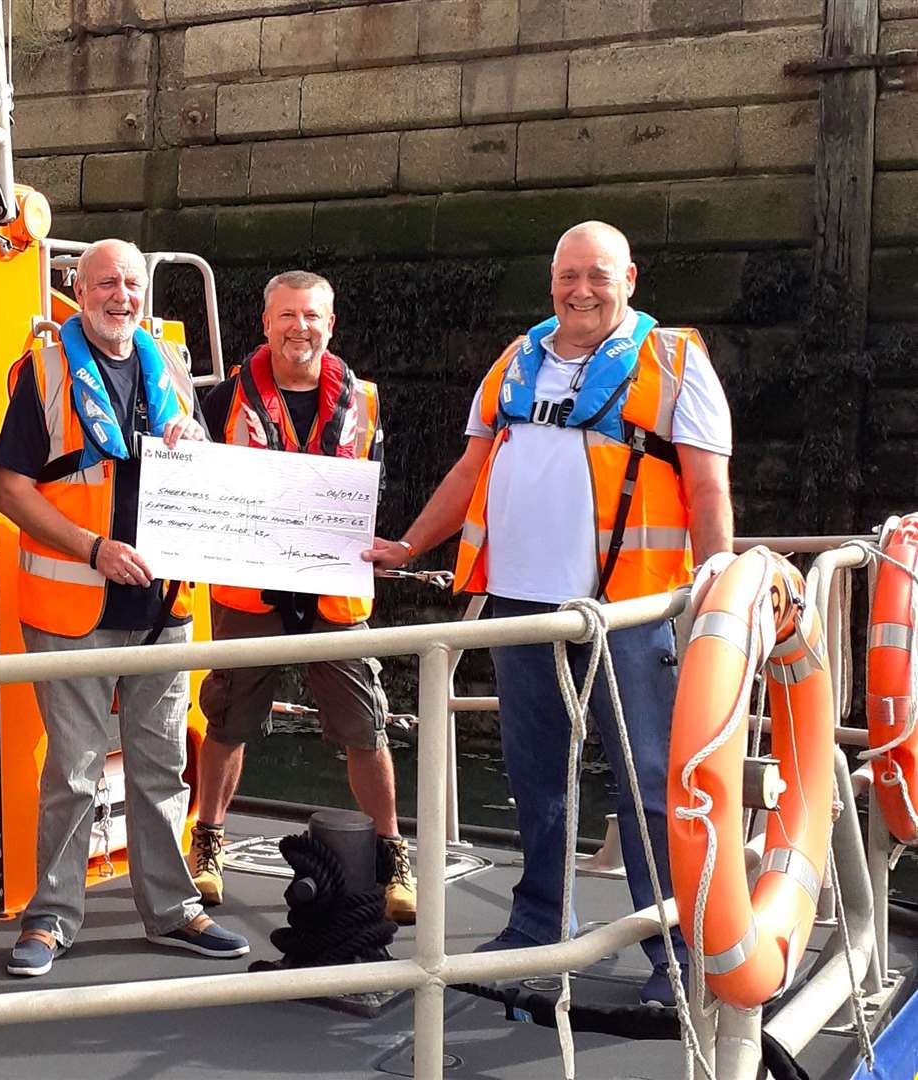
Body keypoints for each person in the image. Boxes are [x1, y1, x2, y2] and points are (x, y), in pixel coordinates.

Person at [364, 221, 733, 1007]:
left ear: (628, 276)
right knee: (537, 778)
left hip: (626, 612)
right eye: (568, 275)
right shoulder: (513, 360)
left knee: (650, 785)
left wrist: (715, 586)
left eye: (597, 275)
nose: (581, 290)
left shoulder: (673, 363)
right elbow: (470, 468)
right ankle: (538, 928)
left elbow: (706, 487)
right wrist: (406, 541)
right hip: (520, 609)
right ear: (551, 280)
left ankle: (678, 955)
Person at [0, 238, 250, 978]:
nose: (120, 297)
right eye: (105, 283)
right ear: (78, 287)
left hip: (163, 605)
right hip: (71, 605)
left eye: (131, 284)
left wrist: (188, 441)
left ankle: (171, 910)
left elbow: (202, 463)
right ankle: (50, 918)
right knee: (72, 771)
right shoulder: (43, 372)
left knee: (162, 767)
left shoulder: (166, 366)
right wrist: (90, 547)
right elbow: (12, 490)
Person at [192, 270, 414, 924]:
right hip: (249, 589)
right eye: (286, 315)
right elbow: (198, 486)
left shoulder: (365, 401)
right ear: (264, 324)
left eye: (311, 315)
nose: (299, 327)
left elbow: (380, 487)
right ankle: (207, 842)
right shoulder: (220, 400)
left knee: (364, 726)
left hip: (332, 588)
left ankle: (390, 848)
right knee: (227, 719)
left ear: (330, 324)